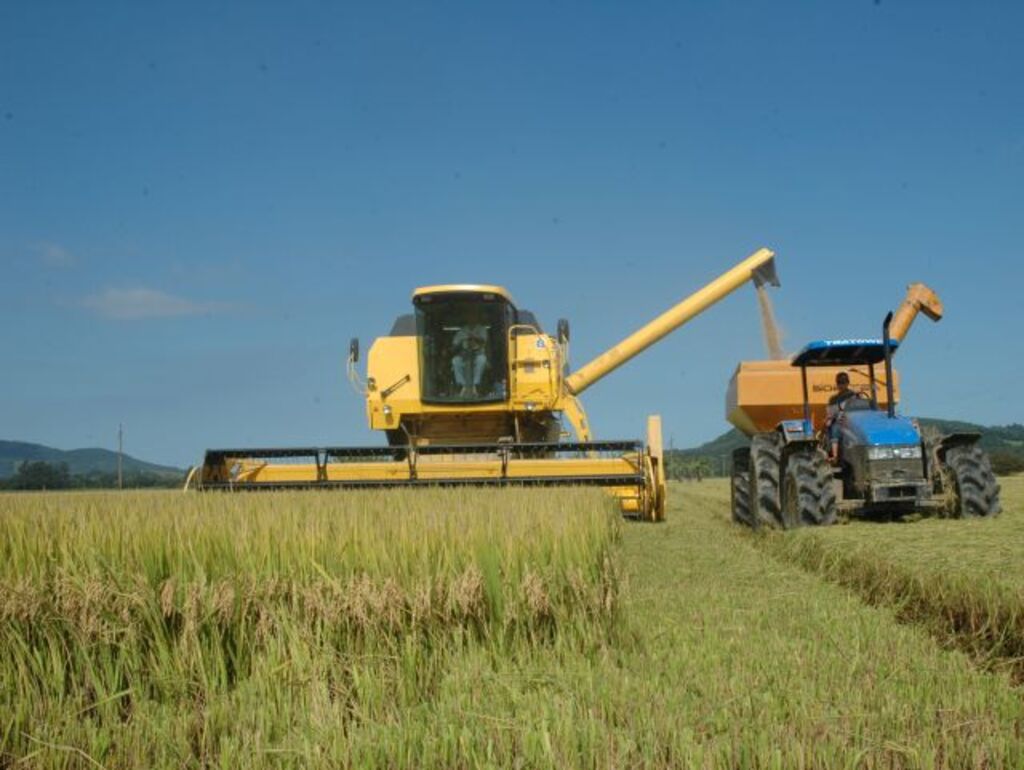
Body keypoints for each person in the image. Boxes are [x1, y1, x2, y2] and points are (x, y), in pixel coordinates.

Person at [451, 316, 489, 397]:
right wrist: (460, 343)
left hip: (478, 354)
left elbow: (484, 340)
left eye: (473, 316)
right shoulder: (462, 330)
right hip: (464, 354)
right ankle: (461, 385)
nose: (471, 319)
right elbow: (454, 345)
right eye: (470, 317)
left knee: (482, 360)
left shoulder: (482, 329)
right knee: (455, 361)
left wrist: (474, 337)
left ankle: (476, 385)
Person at [825, 371, 856, 462]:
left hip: (853, 421)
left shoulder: (855, 396)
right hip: (840, 422)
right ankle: (835, 456)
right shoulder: (834, 399)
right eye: (839, 383)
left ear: (848, 383)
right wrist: (829, 419)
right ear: (837, 384)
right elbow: (830, 413)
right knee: (835, 428)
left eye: (843, 382)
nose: (841, 385)